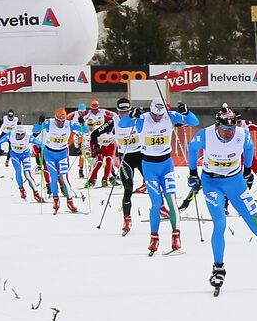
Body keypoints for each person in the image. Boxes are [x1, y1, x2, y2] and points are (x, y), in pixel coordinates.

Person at [187, 107, 257, 293]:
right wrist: (192, 173)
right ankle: (218, 268)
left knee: (255, 225)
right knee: (220, 223)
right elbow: (192, 148)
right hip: (211, 183)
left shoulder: (241, 134)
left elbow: (249, 148)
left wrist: (247, 171)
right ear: (218, 125)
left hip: (235, 182)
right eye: (225, 129)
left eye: (231, 129)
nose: (228, 133)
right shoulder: (205, 134)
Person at [119, 99, 198, 254]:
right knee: (156, 203)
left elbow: (194, 121)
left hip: (166, 165)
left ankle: (176, 236)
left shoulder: (170, 116)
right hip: (149, 167)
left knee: (171, 200)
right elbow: (122, 125)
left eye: (160, 115)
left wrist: (186, 112)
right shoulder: (143, 118)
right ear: (151, 111)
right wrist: (132, 115)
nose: (157, 118)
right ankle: (154, 238)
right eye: (155, 114)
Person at [32, 108, 89, 213]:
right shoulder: (49, 123)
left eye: (63, 121)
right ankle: (56, 199)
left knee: (64, 177)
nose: (61, 123)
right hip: (49, 153)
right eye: (58, 121)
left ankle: (70, 201)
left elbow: (85, 130)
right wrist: (39, 123)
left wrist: (82, 123)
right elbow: (34, 130)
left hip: (62, 153)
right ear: (55, 118)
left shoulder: (70, 124)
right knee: (53, 177)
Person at [107, 98, 143, 235]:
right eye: (121, 112)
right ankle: (127, 219)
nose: (124, 114)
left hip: (140, 155)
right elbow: (96, 133)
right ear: (117, 111)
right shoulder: (114, 121)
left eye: (127, 111)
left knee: (153, 185)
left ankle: (162, 207)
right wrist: (97, 145)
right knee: (128, 188)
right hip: (125, 157)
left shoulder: (137, 118)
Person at [0, 122, 40, 201]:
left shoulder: (28, 137)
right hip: (15, 155)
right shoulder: (10, 135)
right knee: (18, 171)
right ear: (15, 133)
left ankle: (36, 193)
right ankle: (21, 189)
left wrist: (40, 148)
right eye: (18, 134)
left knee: (27, 174)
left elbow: (39, 143)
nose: (21, 136)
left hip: (25, 155)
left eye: (22, 134)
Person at [79, 100, 118, 187]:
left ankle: (107, 178)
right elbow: (92, 137)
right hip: (101, 144)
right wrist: (94, 149)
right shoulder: (90, 118)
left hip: (110, 144)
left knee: (109, 160)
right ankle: (92, 179)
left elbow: (115, 115)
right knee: (98, 162)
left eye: (96, 109)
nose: (95, 111)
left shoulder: (104, 113)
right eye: (93, 109)